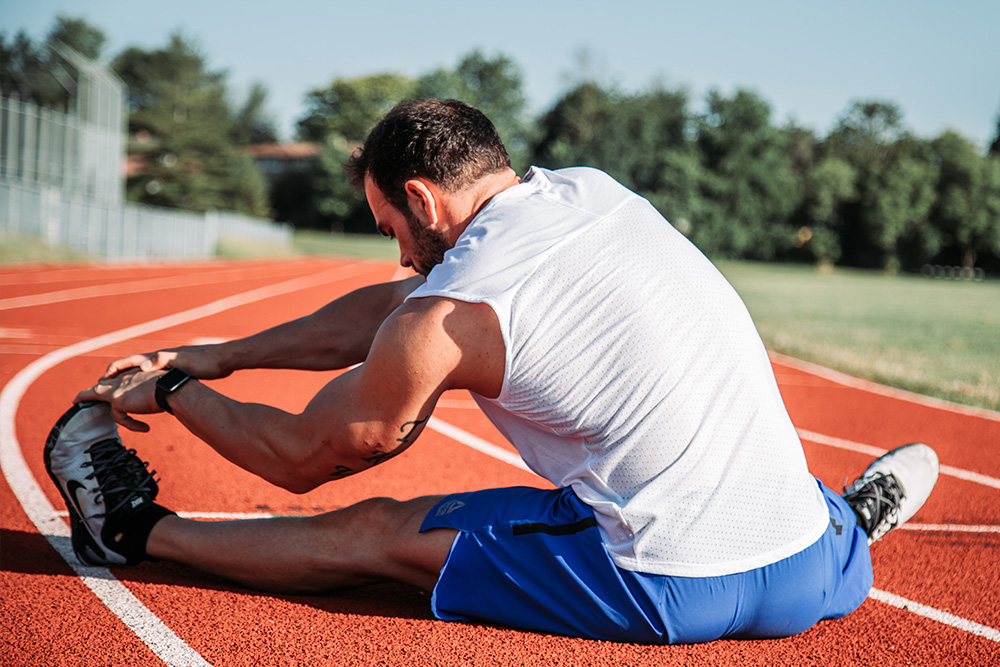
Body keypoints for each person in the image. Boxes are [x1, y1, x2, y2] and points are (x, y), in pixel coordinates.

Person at [45, 99, 940, 644]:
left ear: (424, 201)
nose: (396, 255)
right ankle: (849, 522)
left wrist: (173, 389)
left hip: (663, 580)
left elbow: (304, 454)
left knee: (373, 533)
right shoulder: (590, 192)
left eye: (390, 228)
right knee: (742, 453)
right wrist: (223, 354)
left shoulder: (446, 314)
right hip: (807, 574)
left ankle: (131, 532)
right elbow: (398, 309)